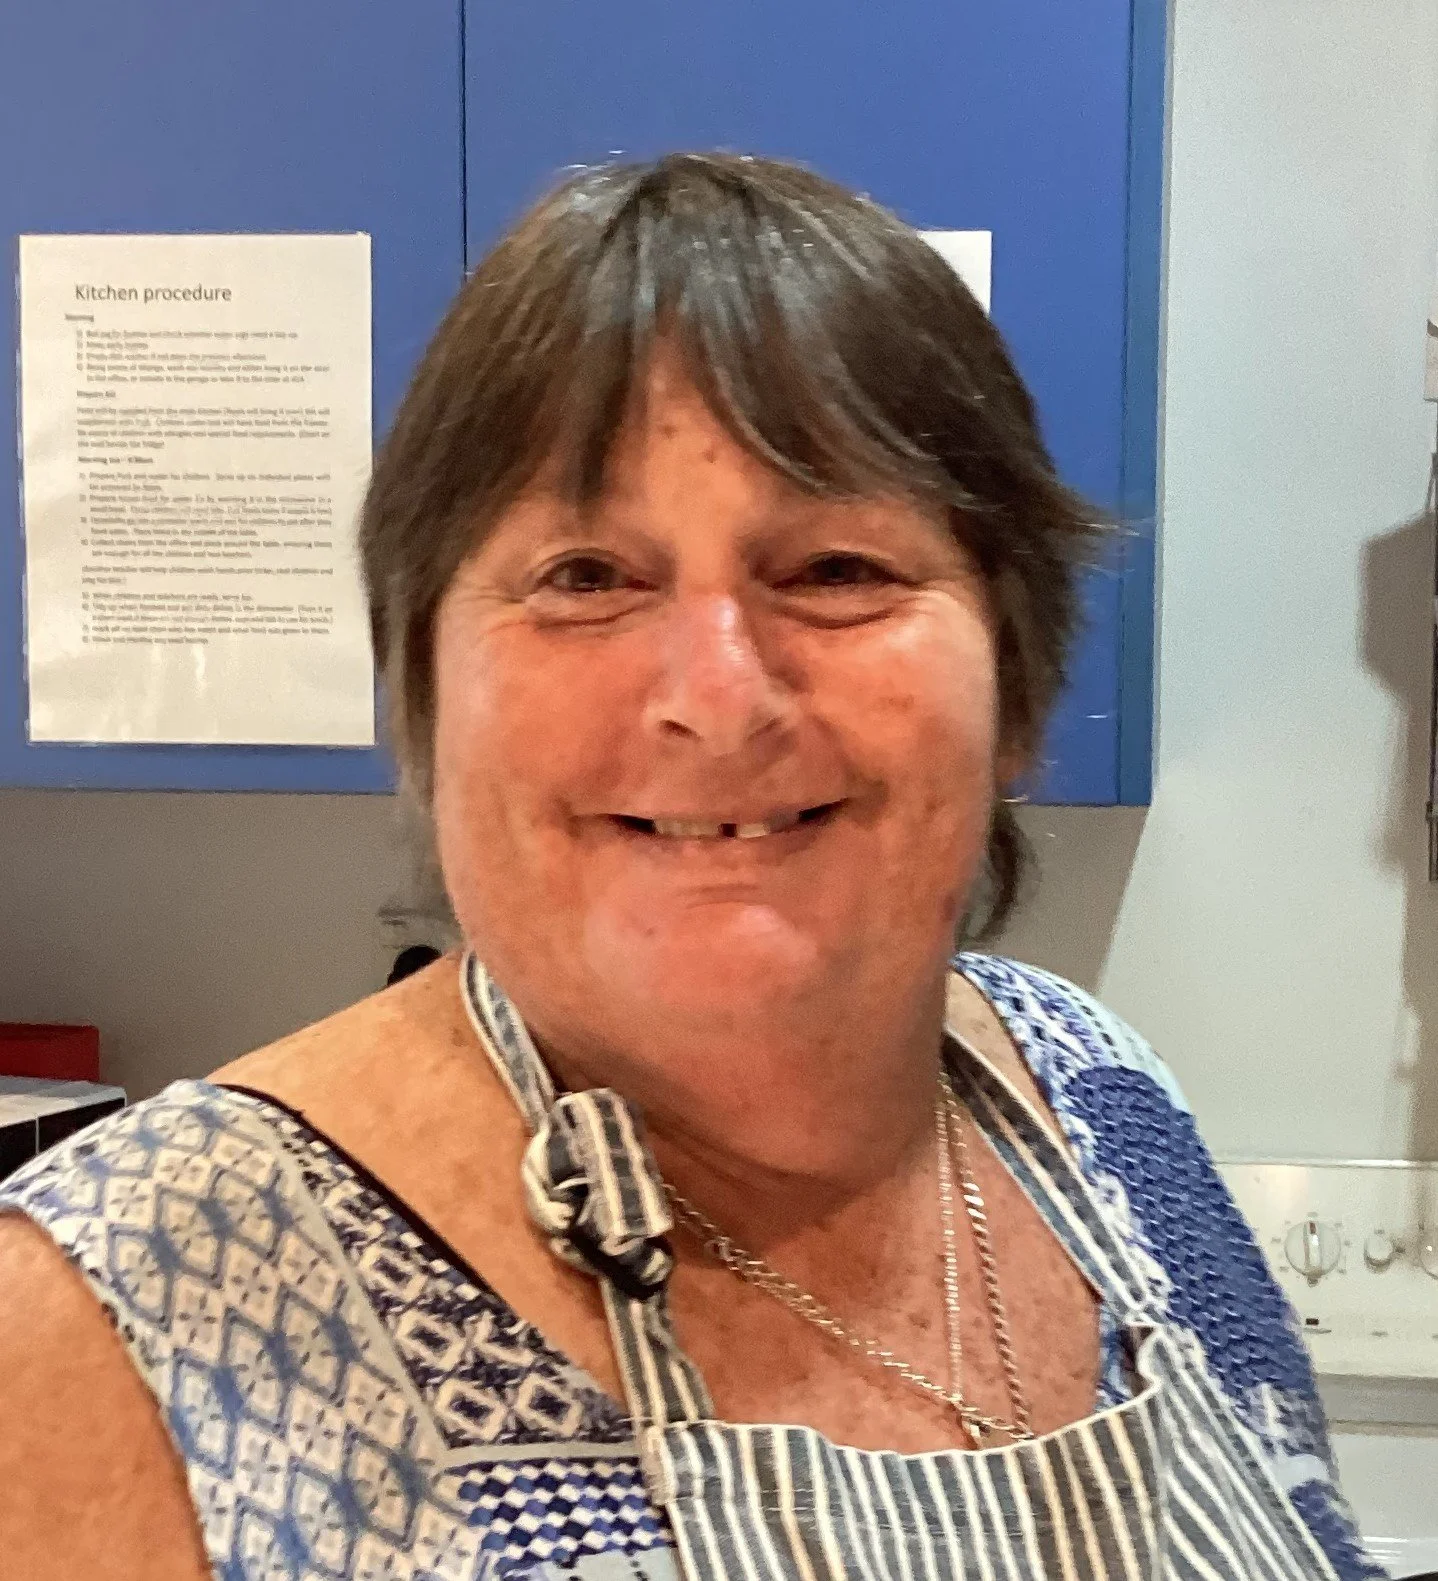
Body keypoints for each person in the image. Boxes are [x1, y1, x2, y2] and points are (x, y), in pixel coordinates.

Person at [0, 154, 1379, 1581]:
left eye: (837, 567)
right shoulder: (104, 1324)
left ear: (1016, 687)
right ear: (417, 692)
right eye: (587, 576)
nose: (716, 696)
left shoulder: (1105, 1099)